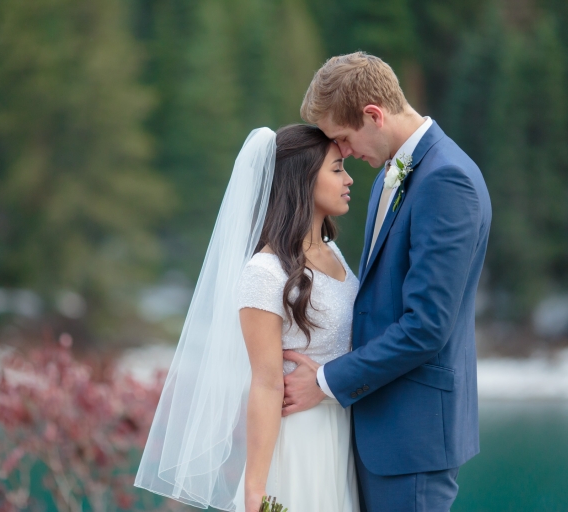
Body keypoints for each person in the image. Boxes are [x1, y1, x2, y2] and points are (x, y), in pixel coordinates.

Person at [283, 52, 492, 511]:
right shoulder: (392, 173)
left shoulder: (447, 179)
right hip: (380, 427)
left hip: (411, 438)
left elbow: (426, 326)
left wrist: (325, 380)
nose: (344, 153)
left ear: (373, 115)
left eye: (343, 138)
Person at [134, 124, 361, 511]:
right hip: (300, 442)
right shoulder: (265, 272)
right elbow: (267, 384)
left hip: (343, 431)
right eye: (337, 169)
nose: (349, 178)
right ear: (302, 181)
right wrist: (256, 489)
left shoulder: (333, 252)